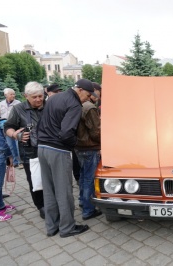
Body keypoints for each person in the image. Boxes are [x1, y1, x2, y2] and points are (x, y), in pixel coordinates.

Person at [37, 78, 97, 238]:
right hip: (58, 149)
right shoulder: (75, 104)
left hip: (42, 148)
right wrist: (74, 144)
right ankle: (67, 227)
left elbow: (42, 122)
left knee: (48, 189)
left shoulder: (54, 97)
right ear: (79, 90)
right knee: (64, 190)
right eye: (88, 94)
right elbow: (66, 133)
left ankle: (52, 226)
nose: (88, 98)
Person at [4, 82, 45, 219]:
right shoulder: (18, 109)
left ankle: (52, 203)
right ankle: (41, 206)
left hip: (49, 150)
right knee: (35, 181)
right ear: (26, 96)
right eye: (34, 97)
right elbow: (8, 127)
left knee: (50, 179)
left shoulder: (48, 106)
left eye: (40, 96)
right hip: (29, 153)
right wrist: (16, 135)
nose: (38, 99)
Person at [75, 82, 102, 220]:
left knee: (83, 176)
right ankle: (88, 209)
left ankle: (82, 201)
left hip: (79, 147)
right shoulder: (90, 107)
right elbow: (96, 132)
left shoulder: (79, 105)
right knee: (89, 179)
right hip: (89, 147)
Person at [0, 88, 22, 169]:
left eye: (14, 94)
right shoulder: (1, 104)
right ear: (6, 95)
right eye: (11, 94)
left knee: (17, 145)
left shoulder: (18, 103)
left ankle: (20, 162)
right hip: (6, 127)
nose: (13, 95)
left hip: (16, 126)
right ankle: (14, 162)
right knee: (10, 145)